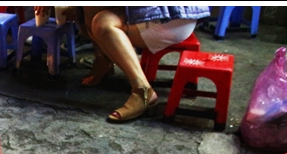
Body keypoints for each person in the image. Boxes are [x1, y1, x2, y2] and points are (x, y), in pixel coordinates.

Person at [77, 6, 210, 122]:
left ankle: (143, 91)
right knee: (87, 9)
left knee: (102, 23)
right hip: (171, 14)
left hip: (171, 19)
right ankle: (104, 59)